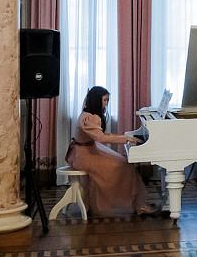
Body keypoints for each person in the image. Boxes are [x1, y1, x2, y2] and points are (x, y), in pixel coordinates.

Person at [65, 86, 155, 217]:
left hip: (85, 150)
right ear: (97, 100)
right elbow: (101, 138)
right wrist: (126, 139)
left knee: (123, 162)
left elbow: (102, 134)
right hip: (84, 155)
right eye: (105, 100)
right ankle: (137, 204)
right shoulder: (89, 118)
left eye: (107, 100)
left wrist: (124, 137)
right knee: (124, 166)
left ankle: (137, 203)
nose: (106, 103)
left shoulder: (89, 114)